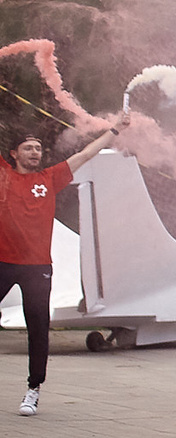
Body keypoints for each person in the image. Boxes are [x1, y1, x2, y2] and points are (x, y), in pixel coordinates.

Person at [0, 113, 128, 415]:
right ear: (14, 154)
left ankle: (33, 389)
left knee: (38, 328)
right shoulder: (5, 175)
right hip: (4, 262)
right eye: (28, 148)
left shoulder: (49, 178)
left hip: (37, 268)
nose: (35, 153)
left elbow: (85, 154)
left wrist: (116, 130)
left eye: (39, 148)